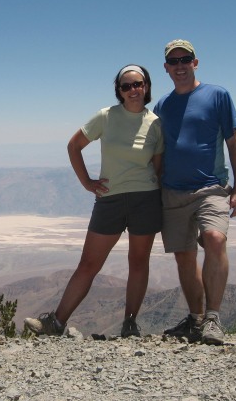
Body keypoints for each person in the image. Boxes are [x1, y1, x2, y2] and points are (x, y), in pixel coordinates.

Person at [24, 64, 164, 338]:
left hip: (145, 200)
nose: (133, 90)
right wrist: (87, 182)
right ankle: (56, 323)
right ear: (119, 91)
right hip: (109, 200)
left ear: (146, 87)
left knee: (138, 262)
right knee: (89, 263)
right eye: (127, 86)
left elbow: (158, 167)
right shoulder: (106, 117)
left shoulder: (156, 123)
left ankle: (130, 324)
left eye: (138, 84)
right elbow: (74, 145)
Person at [153, 39, 236, 345]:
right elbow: (158, 150)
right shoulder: (163, 106)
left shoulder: (217, 95)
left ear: (195, 62)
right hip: (173, 191)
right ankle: (195, 321)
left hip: (211, 187)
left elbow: (234, 141)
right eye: (174, 61)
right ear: (166, 68)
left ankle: (214, 318)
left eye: (185, 59)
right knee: (183, 256)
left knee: (215, 239)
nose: (180, 66)